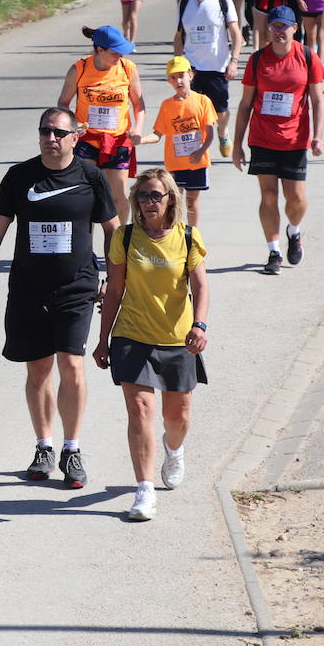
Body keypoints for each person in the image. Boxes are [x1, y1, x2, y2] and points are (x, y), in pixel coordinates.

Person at [0, 109, 119, 487]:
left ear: (74, 138)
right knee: (37, 371)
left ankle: (72, 449)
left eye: (57, 132)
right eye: (44, 131)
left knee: (71, 364)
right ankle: (44, 446)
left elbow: (112, 229)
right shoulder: (21, 176)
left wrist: (118, 277)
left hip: (77, 287)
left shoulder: (90, 176)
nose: (50, 138)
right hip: (29, 288)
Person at [93, 170, 208, 521]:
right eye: (142, 196)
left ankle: (173, 449)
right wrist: (103, 339)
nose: (148, 203)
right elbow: (114, 291)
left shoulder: (188, 238)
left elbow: (201, 286)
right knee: (140, 410)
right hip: (133, 335)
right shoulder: (125, 238)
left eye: (155, 195)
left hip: (177, 339)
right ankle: (144, 491)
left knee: (178, 417)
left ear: (170, 198)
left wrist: (199, 325)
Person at [230, 5, 324, 274]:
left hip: (295, 139)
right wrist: (237, 145)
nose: (278, 31)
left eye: (284, 26)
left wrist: (318, 136)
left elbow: (318, 100)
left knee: (296, 199)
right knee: (268, 195)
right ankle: (273, 252)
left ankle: (293, 231)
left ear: (295, 28)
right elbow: (245, 104)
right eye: (274, 26)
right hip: (262, 137)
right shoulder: (258, 60)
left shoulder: (307, 57)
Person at [56, 25, 143, 227]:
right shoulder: (79, 69)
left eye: (121, 51)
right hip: (87, 139)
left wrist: (137, 129)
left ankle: (120, 243)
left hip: (118, 139)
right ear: (99, 50)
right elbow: (63, 103)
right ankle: (84, 248)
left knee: (118, 195)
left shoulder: (127, 68)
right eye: (114, 52)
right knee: (85, 194)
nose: (119, 56)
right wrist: (71, 127)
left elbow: (139, 105)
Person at [172, 0, 241, 157]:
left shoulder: (222, 1)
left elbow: (236, 35)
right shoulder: (184, 3)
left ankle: (222, 132)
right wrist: (178, 65)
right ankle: (197, 148)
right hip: (191, 68)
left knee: (220, 112)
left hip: (217, 66)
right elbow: (179, 36)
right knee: (192, 111)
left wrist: (233, 61)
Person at [137, 57, 216, 223]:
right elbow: (157, 134)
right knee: (174, 202)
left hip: (197, 161)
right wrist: (141, 140)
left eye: (181, 76)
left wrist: (201, 151)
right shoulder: (167, 105)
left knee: (192, 201)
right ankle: (176, 233)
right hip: (175, 163)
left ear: (190, 75)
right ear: (169, 81)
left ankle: (192, 235)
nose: (178, 81)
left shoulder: (202, 101)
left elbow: (210, 132)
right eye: (173, 77)